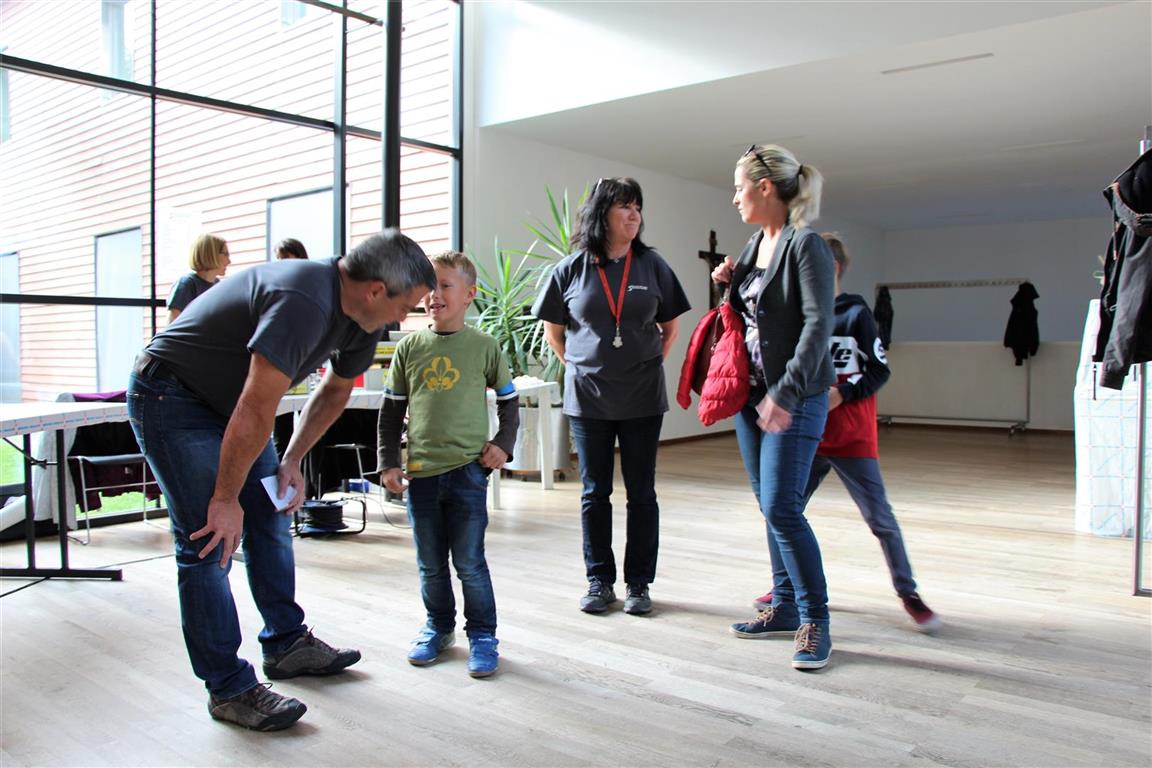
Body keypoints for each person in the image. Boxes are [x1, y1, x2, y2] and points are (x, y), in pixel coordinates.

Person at [127, 229, 435, 731]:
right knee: (209, 540)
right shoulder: (304, 300)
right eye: (405, 306)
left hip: (234, 404)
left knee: (271, 514)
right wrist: (225, 498)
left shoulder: (361, 318)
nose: (402, 318)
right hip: (173, 397)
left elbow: (334, 392)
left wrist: (291, 460)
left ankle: (286, 643)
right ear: (376, 290)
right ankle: (228, 687)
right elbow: (256, 405)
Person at [750, 234, 941, 633]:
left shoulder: (856, 314)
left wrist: (843, 393)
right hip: (806, 433)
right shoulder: (796, 316)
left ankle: (908, 593)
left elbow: (879, 369)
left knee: (880, 518)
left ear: (829, 268)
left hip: (850, 437)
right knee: (780, 510)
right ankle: (785, 590)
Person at [532, 177, 691, 616]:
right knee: (594, 492)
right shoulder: (570, 269)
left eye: (637, 206)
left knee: (642, 492)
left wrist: (646, 364)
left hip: (643, 396)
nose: (634, 214)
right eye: (625, 206)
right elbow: (555, 333)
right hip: (588, 398)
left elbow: (670, 328)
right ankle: (599, 581)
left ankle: (639, 583)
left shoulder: (653, 266)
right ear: (601, 213)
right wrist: (581, 367)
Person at [713, 144, 836, 670]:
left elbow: (818, 325)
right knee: (772, 506)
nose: (735, 197)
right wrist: (728, 283)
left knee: (783, 507)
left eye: (739, 187)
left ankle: (815, 621)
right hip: (752, 397)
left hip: (795, 397)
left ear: (765, 188)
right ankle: (784, 606)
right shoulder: (754, 244)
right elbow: (754, 318)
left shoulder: (806, 244)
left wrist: (784, 394)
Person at [377, 251, 519, 678]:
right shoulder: (409, 348)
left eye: (444, 285)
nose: (433, 294)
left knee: (470, 562)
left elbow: (510, 403)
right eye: (429, 286)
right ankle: (438, 627)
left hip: (467, 473)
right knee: (430, 563)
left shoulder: (484, 347)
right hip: (421, 474)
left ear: (470, 294)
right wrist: (388, 462)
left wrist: (503, 445)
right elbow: (390, 411)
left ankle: (483, 635)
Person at [167, 233, 231, 322]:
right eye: (226, 254)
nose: (229, 261)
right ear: (211, 254)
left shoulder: (218, 286)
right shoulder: (186, 284)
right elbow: (172, 323)